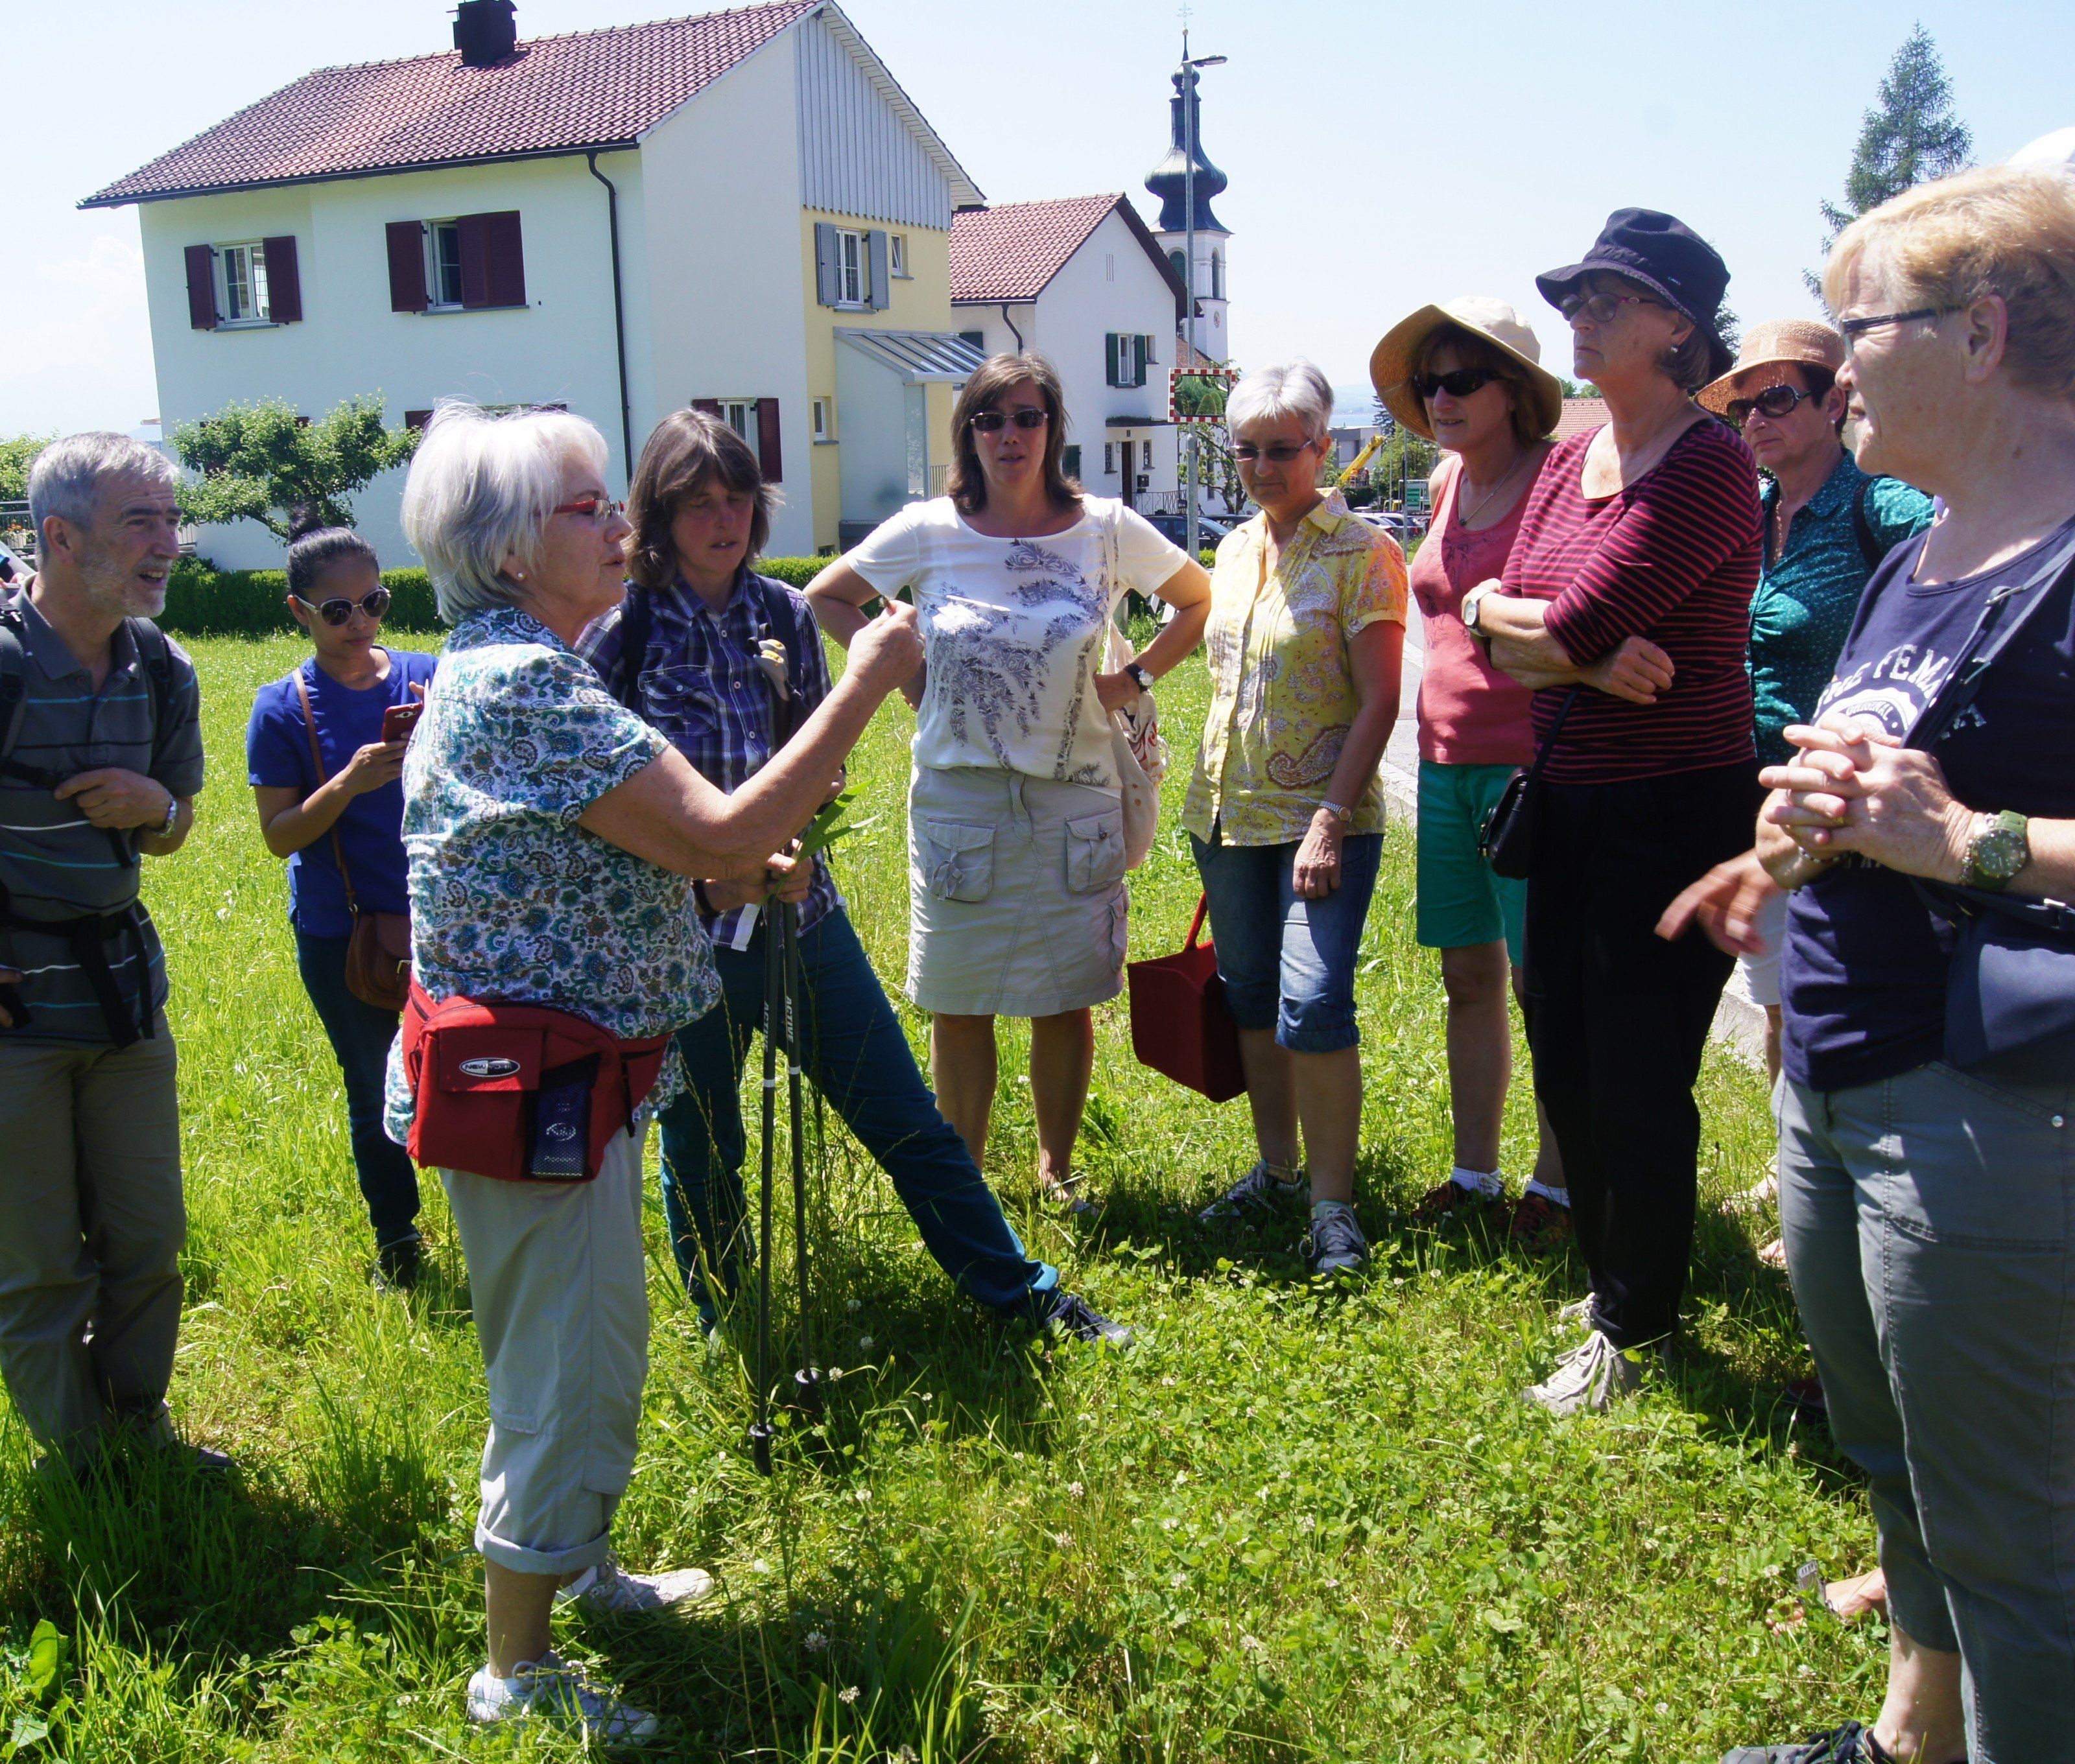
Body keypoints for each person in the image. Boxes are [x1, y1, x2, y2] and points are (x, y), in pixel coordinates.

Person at [390, 403, 923, 1743]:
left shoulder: (526, 668)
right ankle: (515, 1670)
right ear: (514, 549)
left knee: (599, 1343)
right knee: (559, 1369)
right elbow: (719, 825)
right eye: (588, 508)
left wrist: (739, 864)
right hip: (532, 1089)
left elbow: (652, 848)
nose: (619, 525)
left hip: (573, 1080)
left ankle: (584, 1569)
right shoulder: (526, 684)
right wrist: (864, 682)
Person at [1680, 165, 2075, 1764]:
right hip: (1841, 1070)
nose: (1835, 373)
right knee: (1896, 1453)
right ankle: (1911, 1737)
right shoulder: (1925, 556)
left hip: (1994, 1101)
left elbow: (1954, 823)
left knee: (2013, 1522)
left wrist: (1971, 840)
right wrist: (1785, 842)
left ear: (1980, 335)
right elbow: (1880, 784)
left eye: (1862, 330)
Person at [581, 409, 1127, 1345]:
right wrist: (710, 878)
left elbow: (818, 758)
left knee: (904, 1115)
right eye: (699, 503)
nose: (724, 520)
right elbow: (601, 809)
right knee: (703, 1143)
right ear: (658, 515)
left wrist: (795, 843)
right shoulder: (619, 636)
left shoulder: (785, 615)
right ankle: (729, 1321)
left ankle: (1018, 1292)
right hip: (680, 936)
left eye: (739, 499)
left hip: (803, 916)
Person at [1467, 210, 1761, 1415]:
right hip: (1572, 798)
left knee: (1636, 1068)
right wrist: (1564, 650)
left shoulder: (1705, 465)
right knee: (1564, 1048)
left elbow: (1561, 618)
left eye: (1608, 298)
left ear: (1676, 327)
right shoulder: (1571, 454)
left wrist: (1540, 634)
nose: (1578, 315)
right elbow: (1488, 607)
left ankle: (1639, 1325)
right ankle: (1613, 1282)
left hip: (1672, 812)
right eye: (1576, 295)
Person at [805, 355, 1211, 1210]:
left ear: (1052, 429)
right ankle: (968, 1187)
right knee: (961, 1005)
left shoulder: (1103, 527)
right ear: (968, 434)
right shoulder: (929, 529)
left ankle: (1057, 1172)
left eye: (1027, 417)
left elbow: (1196, 600)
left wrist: (1132, 678)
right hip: (963, 806)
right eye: (990, 420)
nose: (1010, 435)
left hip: (1076, 801)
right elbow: (827, 598)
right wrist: (907, 680)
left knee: (1065, 1001)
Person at [0, 434, 215, 1471]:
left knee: (146, 1238)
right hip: (11, 1019)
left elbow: (174, 830)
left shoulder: (164, 668)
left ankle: (140, 1433)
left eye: (173, 521)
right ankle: (83, 1472)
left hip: (125, 1000)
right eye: (145, 524)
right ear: (60, 537)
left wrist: (157, 804)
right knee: (38, 1262)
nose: (170, 544)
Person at [1181, 361, 1405, 1275]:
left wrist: (1327, 818)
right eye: (1249, 450)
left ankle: (1333, 1207)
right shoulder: (1234, 551)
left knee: (1312, 1003)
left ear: (1323, 448)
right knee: (1248, 999)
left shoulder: (1363, 553)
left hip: (1325, 823)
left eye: (1286, 449)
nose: (1266, 466)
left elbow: (1381, 701)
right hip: (1227, 816)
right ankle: (1276, 1171)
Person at [1370, 298, 1569, 1245]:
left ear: (1515, 394)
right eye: (1426, 383)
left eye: (1460, 381)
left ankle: (1560, 1185)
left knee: (1547, 984)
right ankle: (1475, 1171)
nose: (1437, 398)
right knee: (1468, 979)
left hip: (1534, 767)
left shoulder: (1561, 481)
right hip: (1446, 765)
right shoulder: (1448, 481)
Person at [1691, 322, 1932, 1088]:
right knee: (1776, 1001)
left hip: (1845, 807)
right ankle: (1791, 1162)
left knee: (1846, 996)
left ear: (1834, 404)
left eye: (1775, 398)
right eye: (1742, 407)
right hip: (1754, 796)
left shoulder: (1883, 508)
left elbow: (1974, 593)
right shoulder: (1747, 512)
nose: (1755, 419)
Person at [247, 525, 436, 1289]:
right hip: (346, 934)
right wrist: (348, 783)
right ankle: (398, 1241)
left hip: (444, 920)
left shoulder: (427, 678)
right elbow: (277, 834)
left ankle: (491, 1214)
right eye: (337, 610)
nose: (360, 622)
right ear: (299, 611)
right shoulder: (283, 707)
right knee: (373, 1085)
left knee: (461, 1074)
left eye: (374, 601)